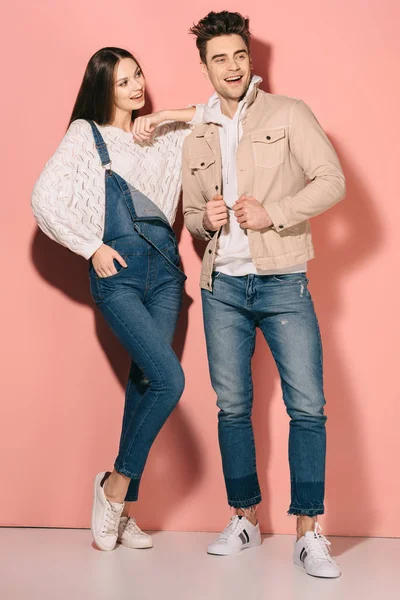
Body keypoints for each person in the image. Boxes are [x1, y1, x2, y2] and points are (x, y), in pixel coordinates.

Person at [182, 11, 346, 578]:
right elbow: (190, 217)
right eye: (218, 58)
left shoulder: (289, 113)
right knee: (233, 408)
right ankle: (244, 517)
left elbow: (332, 179)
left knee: (308, 407)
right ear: (204, 66)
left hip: (283, 281)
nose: (231, 67)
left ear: (251, 59)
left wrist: (273, 213)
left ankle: (309, 531)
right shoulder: (197, 132)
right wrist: (205, 218)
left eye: (238, 55)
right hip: (221, 287)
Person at [31, 46, 204, 552]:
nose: (136, 86)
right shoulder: (86, 135)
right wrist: (91, 247)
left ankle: (120, 509)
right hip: (121, 272)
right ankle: (114, 487)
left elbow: (215, 114)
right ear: (104, 86)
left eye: (139, 75)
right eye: (124, 80)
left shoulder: (164, 135)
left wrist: (166, 116)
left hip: (168, 272)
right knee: (169, 379)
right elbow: (45, 195)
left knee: (144, 383)